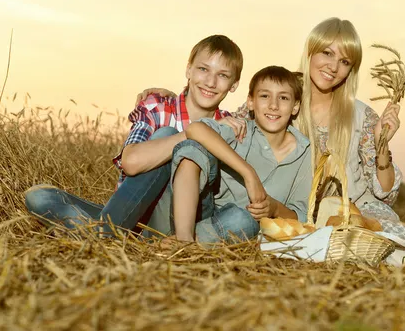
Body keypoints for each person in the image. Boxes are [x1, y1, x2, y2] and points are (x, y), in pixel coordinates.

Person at [140, 19, 405, 259]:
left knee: (388, 238)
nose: (333, 65)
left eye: (345, 61)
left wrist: (383, 146)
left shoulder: (360, 115)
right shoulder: (282, 98)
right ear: (310, 52)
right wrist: (176, 97)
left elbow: (385, 192)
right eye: (327, 53)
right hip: (289, 214)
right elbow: (229, 123)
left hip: (351, 211)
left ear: (351, 69)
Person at [24, 35, 247, 237]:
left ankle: (102, 235)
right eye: (203, 69)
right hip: (131, 216)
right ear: (188, 70)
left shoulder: (230, 124)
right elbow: (130, 163)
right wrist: (196, 132)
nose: (210, 82)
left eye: (223, 75)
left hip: (180, 225)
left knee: (170, 138)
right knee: (39, 196)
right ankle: (111, 233)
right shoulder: (157, 107)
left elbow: (272, 111)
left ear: (234, 84)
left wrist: (214, 130)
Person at [150, 65, 311, 243]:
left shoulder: (303, 152)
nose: (273, 105)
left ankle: (183, 242)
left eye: (283, 98)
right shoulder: (239, 129)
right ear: (250, 102)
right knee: (192, 150)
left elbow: (301, 217)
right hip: (194, 211)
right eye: (265, 96)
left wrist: (274, 209)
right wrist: (248, 173)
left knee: (244, 220)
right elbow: (195, 129)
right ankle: (184, 239)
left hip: (234, 226)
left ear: (295, 106)